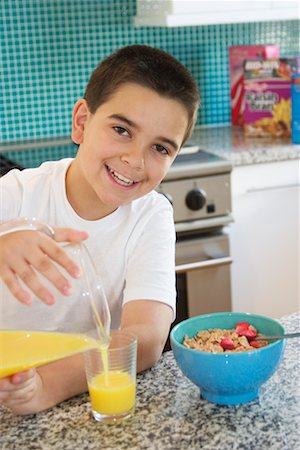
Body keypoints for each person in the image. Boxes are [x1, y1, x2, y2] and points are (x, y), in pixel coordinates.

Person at [0, 44, 199, 415]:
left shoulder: (151, 215)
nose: (135, 160)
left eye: (160, 148)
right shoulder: (16, 193)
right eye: (122, 130)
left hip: (83, 397)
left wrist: (47, 385)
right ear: (82, 122)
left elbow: (149, 336)